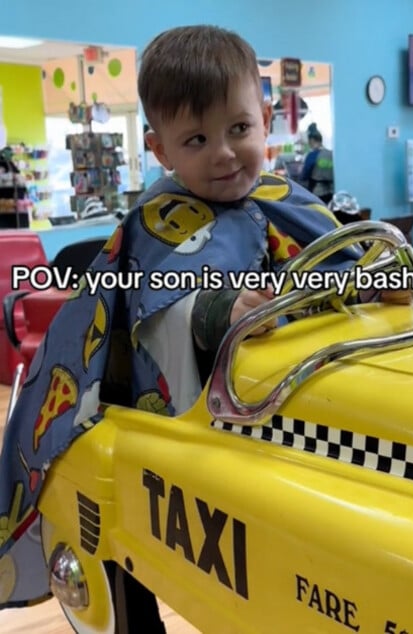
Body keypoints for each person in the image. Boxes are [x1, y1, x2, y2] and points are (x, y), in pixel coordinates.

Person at [0, 24, 383, 616]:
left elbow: (343, 257)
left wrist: (381, 276)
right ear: (161, 151)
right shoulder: (156, 223)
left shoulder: (288, 197)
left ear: (264, 117)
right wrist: (217, 310)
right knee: (141, 558)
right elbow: (158, 305)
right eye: (198, 139)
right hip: (168, 438)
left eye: (239, 129)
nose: (225, 152)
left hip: (302, 402)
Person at [302, 123, 335, 204]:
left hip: (317, 193)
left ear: (312, 140)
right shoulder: (331, 154)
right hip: (332, 192)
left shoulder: (312, 155)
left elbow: (304, 175)